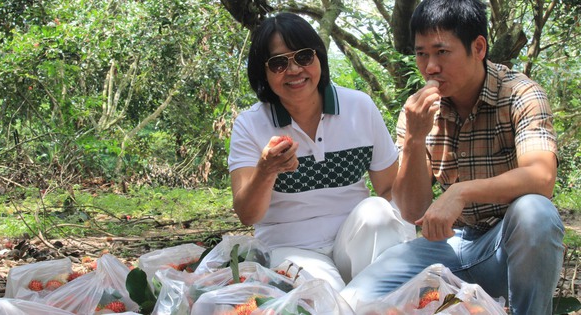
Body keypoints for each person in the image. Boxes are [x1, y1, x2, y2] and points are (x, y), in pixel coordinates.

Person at [340, 0, 565, 314]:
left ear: (478, 47)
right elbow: (411, 209)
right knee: (354, 301)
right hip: (449, 246)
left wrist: (462, 191)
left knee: (535, 212)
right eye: (421, 53)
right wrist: (416, 138)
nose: (430, 66)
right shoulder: (418, 111)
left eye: (441, 52)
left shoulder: (520, 94)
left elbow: (542, 178)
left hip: (508, 246)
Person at [227, 12, 415, 291]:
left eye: (303, 57)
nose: (294, 70)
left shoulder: (359, 107)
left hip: (353, 238)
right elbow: (248, 215)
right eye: (279, 63)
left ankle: (380, 294)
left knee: (379, 212)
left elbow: (389, 189)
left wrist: (404, 243)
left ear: (318, 58)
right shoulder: (250, 125)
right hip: (290, 247)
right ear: (263, 73)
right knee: (329, 298)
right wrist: (266, 170)